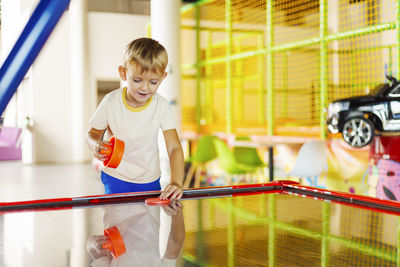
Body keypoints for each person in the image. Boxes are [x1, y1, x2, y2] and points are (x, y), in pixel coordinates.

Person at [86, 37, 184, 200]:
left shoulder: (162, 106)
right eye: (137, 80)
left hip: (150, 180)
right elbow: (91, 134)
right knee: (117, 222)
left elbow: (174, 147)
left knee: (148, 225)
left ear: (163, 77)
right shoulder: (111, 101)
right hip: (115, 177)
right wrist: (95, 145)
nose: (145, 87)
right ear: (123, 73)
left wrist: (176, 182)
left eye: (153, 82)